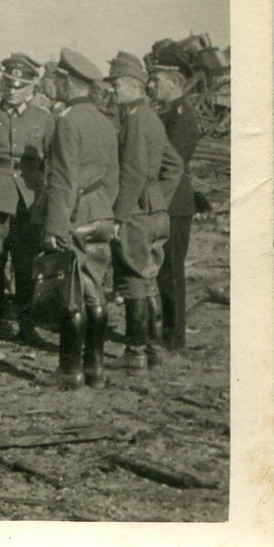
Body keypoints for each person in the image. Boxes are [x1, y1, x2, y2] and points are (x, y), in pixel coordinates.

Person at [42, 48, 119, 389]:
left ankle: (70, 371)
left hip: (74, 214)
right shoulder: (105, 120)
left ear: (66, 81)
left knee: (72, 290)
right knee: (95, 289)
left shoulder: (68, 120)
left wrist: (56, 226)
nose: (55, 86)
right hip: (101, 211)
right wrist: (105, 209)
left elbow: (63, 179)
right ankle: (96, 370)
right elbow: (114, 176)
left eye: (57, 80)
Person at [0, 53, 55, 342]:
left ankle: (26, 324)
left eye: (20, 86)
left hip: (29, 199)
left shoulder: (44, 118)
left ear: (32, 88)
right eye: (8, 84)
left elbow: (51, 160)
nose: (12, 91)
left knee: (25, 263)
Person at [104, 52, 183, 370]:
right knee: (148, 279)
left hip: (136, 214)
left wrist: (119, 217)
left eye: (116, 85)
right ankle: (152, 349)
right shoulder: (150, 117)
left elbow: (133, 173)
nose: (111, 91)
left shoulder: (136, 120)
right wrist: (158, 199)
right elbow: (174, 165)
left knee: (133, 281)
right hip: (154, 212)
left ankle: (135, 352)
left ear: (134, 86)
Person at [148, 62, 201, 350]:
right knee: (163, 270)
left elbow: (172, 161)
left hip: (174, 202)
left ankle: (174, 335)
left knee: (171, 270)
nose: (151, 85)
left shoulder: (181, 116)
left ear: (173, 83)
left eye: (156, 80)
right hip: (166, 200)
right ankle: (167, 330)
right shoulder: (167, 112)